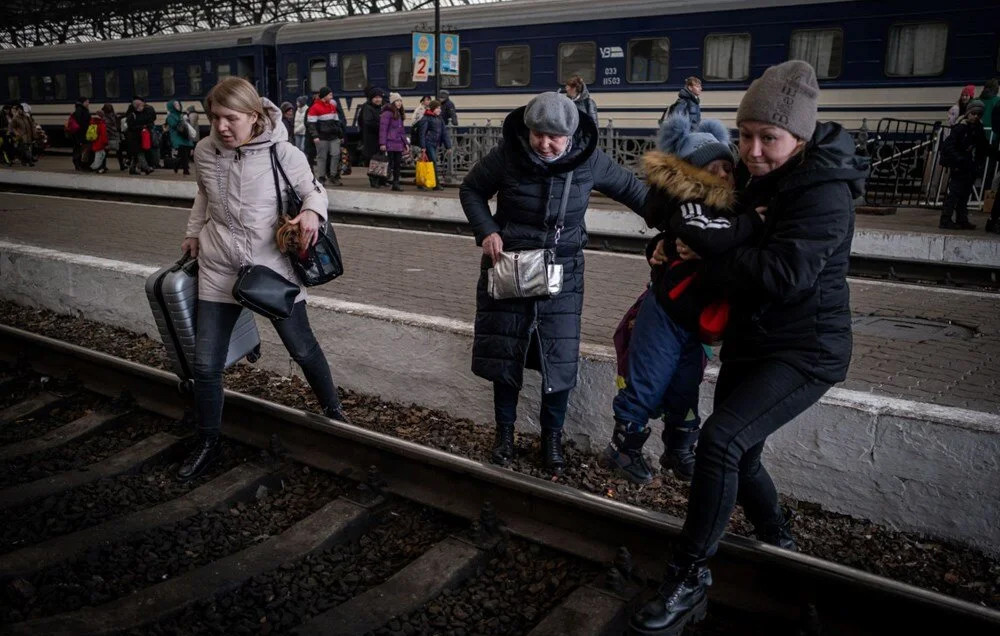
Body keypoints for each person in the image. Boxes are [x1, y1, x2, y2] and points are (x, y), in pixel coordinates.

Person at [628, 61, 868, 635]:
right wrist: (669, 245)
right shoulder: (753, 175)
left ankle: (689, 576)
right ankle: (778, 545)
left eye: (769, 138)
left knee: (720, 442)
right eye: (745, 135)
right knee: (744, 452)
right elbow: (686, 216)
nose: (753, 150)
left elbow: (784, 275)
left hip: (806, 350)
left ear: (800, 138)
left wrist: (703, 254)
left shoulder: (825, 192)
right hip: (752, 339)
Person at [460, 92, 648, 475]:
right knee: (505, 353)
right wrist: (487, 231)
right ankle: (505, 436)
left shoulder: (589, 160)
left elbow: (636, 193)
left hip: (562, 273)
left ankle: (552, 440)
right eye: (538, 134)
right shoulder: (508, 156)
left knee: (558, 360)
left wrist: (682, 226)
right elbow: (472, 190)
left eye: (554, 137)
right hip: (509, 266)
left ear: (571, 134)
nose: (545, 144)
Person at [178, 76, 345, 480]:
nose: (221, 127)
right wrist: (191, 232)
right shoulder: (204, 151)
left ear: (254, 117)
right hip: (218, 270)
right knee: (205, 365)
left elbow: (314, 191)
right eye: (215, 117)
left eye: (230, 118)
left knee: (302, 349)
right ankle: (208, 440)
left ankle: (336, 415)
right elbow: (203, 194)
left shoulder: (284, 154)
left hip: (272, 272)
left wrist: (311, 213)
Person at [600, 115, 760, 486]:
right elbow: (708, 238)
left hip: (694, 320)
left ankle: (679, 449)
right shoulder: (691, 206)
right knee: (647, 381)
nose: (723, 175)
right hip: (666, 315)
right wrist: (753, 222)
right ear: (692, 175)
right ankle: (623, 449)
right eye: (712, 169)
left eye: (727, 167)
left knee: (686, 386)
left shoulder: (730, 208)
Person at [939, 100, 999, 231]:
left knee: (964, 194)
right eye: (973, 113)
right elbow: (949, 146)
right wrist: (959, 159)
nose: (976, 116)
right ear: (968, 113)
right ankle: (946, 218)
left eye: (979, 114)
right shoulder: (961, 128)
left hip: (969, 165)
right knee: (954, 193)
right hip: (960, 165)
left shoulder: (977, 128)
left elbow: (984, 146)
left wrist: (994, 154)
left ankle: (961, 219)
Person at [306, 87, 346, 186]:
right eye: (330, 95)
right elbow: (311, 124)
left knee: (335, 155)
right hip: (322, 137)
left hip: (333, 136)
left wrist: (340, 135)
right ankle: (322, 177)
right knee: (322, 157)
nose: (331, 97)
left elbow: (337, 123)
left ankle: (332, 176)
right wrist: (315, 136)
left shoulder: (332, 107)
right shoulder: (315, 108)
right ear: (325, 96)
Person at [414, 99, 451, 191]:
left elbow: (444, 133)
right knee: (432, 162)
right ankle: (435, 184)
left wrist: (448, 146)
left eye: (440, 108)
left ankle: (422, 182)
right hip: (428, 143)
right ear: (433, 108)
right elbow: (422, 134)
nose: (440, 110)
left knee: (428, 163)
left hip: (434, 144)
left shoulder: (439, 118)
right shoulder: (426, 118)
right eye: (438, 108)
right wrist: (423, 147)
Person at [379, 92, 409, 191]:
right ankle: (382, 180)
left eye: (400, 101)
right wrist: (382, 143)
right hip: (390, 143)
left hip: (398, 143)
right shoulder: (387, 113)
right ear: (393, 102)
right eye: (397, 101)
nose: (399, 103)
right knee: (390, 164)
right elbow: (383, 129)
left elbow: (402, 131)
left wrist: (406, 143)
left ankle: (396, 184)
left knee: (397, 165)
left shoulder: (398, 114)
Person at [358, 88, 385, 187]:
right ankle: (374, 180)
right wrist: (382, 126)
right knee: (373, 159)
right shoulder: (368, 108)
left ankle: (381, 179)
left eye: (379, 97)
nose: (378, 99)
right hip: (371, 138)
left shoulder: (381, 108)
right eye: (376, 98)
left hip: (380, 137)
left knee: (381, 159)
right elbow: (367, 122)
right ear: (371, 99)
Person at [125, 96, 156, 175]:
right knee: (140, 153)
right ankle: (146, 168)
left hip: (140, 137)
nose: (143, 107)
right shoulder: (132, 115)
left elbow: (149, 122)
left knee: (136, 155)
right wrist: (142, 127)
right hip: (134, 137)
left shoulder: (141, 114)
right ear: (137, 106)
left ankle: (132, 169)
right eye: (142, 106)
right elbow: (131, 126)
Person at [166, 100, 195, 176]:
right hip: (177, 137)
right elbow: (173, 125)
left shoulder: (181, 115)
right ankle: (186, 170)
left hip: (185, 135)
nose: (178, 106)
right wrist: (182, 121)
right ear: (172, 106)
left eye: (178, 104)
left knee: (187, 153)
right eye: (175, 105)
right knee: (184, 153)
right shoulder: (171, 116)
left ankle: (176, 165)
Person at [71, 97, 91, 170]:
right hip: (81, 133)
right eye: (87, 102)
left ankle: (80, 164)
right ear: (83, 102)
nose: (88, 103)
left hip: (80, 132)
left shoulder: (80, 109)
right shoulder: (80, 110)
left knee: (80, 148)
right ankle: (79, 164)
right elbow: (81, 122)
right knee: (80, 148)